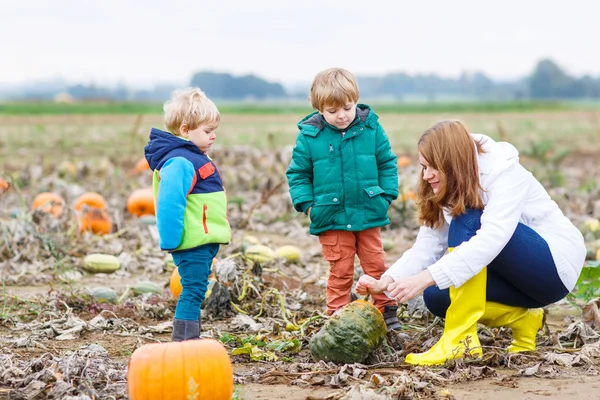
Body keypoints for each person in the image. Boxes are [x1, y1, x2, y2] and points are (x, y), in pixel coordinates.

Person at [356, 119, 585, 365]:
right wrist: (388, 280)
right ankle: (523, 319)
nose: (426, 175)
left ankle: (460, 342)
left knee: (466, 219)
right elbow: (429, 243)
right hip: (513, 278)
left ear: (453, 162)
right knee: (437, 296)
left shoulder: (503, 172)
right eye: (424, 167)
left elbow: (491, 239)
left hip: (552, 267)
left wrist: (425, 277)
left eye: (433, 168)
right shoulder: (450, 182)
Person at [286, 67, 401, 331]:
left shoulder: (371, 128)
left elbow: (387, 163)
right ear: (319, 109)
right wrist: (309, 207)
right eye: (332, 111)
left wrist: (387, 196)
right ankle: (337, 315)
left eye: (347, 108)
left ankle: (386, 308)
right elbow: (298, 174)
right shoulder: (309, 136)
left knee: (376, 263)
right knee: (340, 269)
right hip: (330, 215)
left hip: (368, 210)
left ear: (356, 100)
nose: (341, 116)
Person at [144, 87, 231, 341]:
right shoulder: (180, 162)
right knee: (192, 290)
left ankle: (189, 339)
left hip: (201, 241)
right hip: (190, 241)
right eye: (207, 131)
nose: (213, 136)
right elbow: (170, 202)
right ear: (185, 130)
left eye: (214, 130)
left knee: (196, 287)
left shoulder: (192, 157)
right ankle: (184, 342)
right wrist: (171, 240)